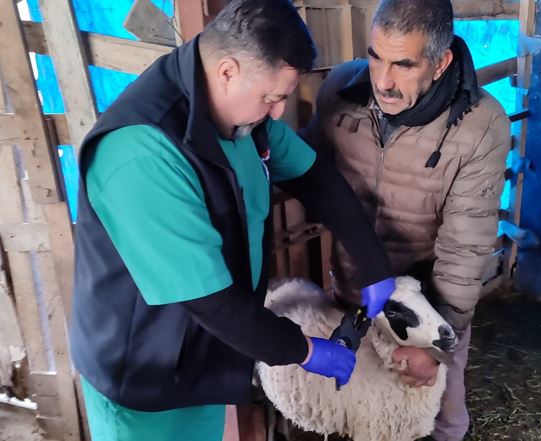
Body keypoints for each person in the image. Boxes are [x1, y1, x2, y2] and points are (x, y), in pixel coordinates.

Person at [69, 0, 397, 439]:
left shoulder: (243, 118)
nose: (279, 111)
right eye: (272, 97)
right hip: (143, 374)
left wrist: (371, 261)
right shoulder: (141, 154)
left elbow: (313, 175)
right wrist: (301, 350)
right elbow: (209, 300)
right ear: (227, 71)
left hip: (200, 357)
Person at [304, 0, 511, 439]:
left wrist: (437, 347)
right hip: (353, 295)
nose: (382, 80)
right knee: (361, 409)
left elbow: (466, 245)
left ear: (440, 64)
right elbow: (304, 169)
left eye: (403, 64)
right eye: (375, 56)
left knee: (439, 412)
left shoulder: (480, 125)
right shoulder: (341, 92)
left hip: (428, 313)